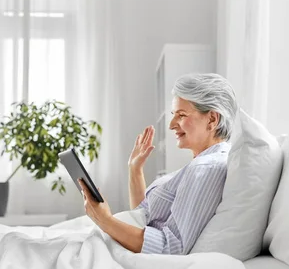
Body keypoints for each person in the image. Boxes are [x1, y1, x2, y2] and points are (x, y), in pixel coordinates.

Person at [78, 73, 237, 254]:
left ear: (212, 119)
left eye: (181, 115)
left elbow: (171, 247)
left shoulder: (206, 169)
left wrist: (104, 220)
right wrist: (135, 169)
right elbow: (144, 218)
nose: (171, 124)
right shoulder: (198, 165)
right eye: (173, 115)